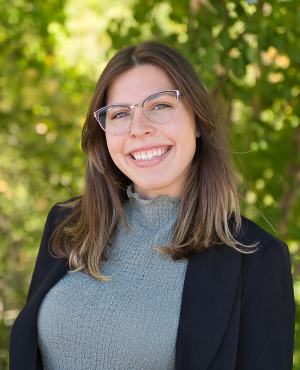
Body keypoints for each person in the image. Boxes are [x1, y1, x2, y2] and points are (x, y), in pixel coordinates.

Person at [9, 41, 295, 370]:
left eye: (159, 106)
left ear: (198, 120)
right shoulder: (66, 226)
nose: (139, 128)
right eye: (119, 114)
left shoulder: (256, 259)